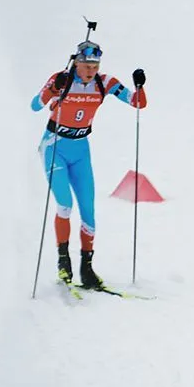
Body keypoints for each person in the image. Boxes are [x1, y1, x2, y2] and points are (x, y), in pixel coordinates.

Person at [31, 40, 147, 289]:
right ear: (77, 62)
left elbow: (137, 103)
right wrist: (53, 89)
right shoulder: (62, 79)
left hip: (81, 150)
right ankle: (64, 262)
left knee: (89, 212)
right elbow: (35, 105)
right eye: (87, 65)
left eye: (95, 66)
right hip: (55, 147)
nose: (91, 70)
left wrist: (140, 85)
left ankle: (87, 268)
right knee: (65, 205)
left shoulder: (104, 83)